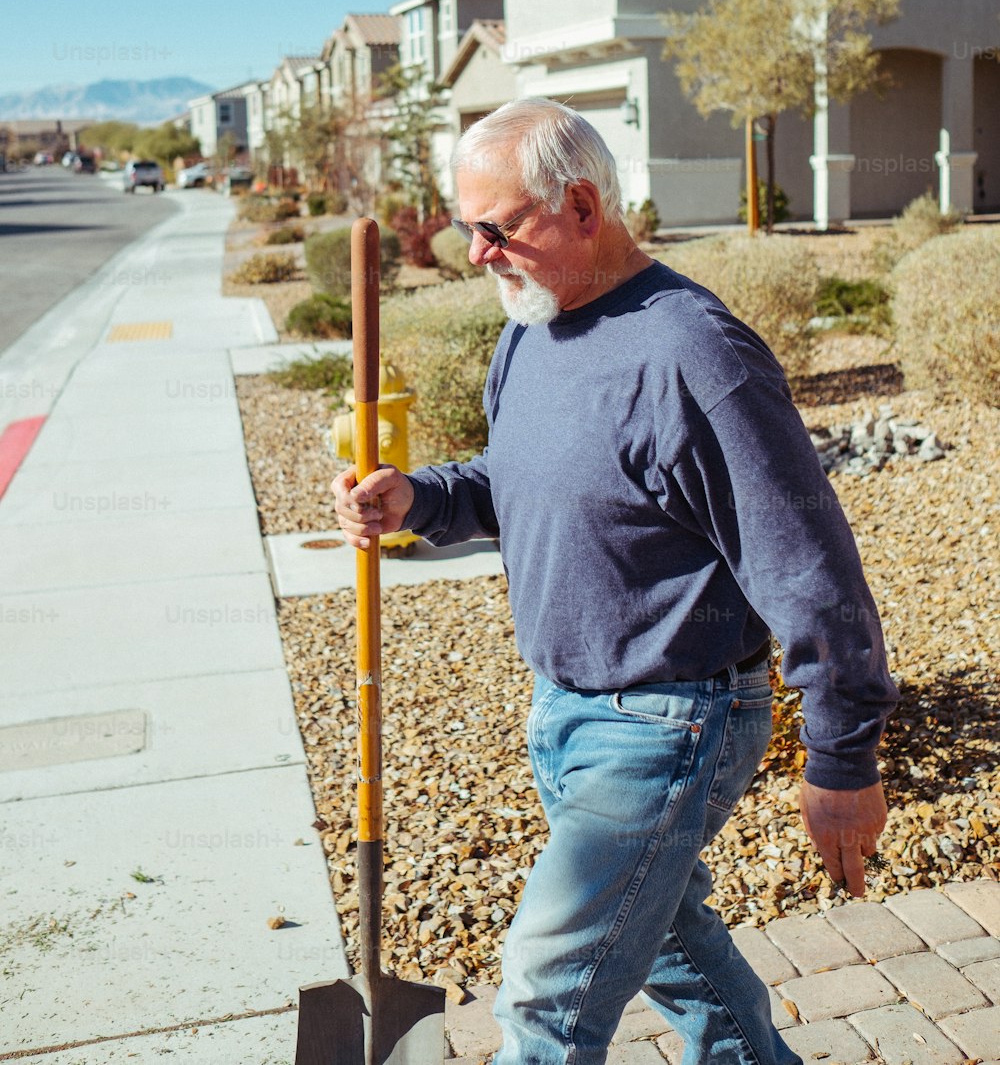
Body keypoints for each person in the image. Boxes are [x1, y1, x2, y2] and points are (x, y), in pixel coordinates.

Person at [334, 98, 898, 1065]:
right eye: (468, 226)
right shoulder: (533, 327)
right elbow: (517, 481)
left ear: (583, 207)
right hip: (564, 707)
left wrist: (843, 759)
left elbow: (811, 567)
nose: (475, 255)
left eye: (495, 229)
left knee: (547, 996)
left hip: (671, 721)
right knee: (669, 940)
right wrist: (418, 500)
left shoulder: (693, 355)